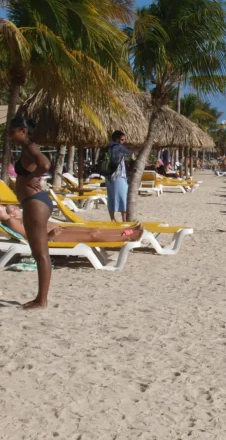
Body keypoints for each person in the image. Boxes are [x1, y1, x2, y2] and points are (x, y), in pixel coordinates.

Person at [9, 117, 52, 309]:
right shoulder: (27, 148)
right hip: (35, 202)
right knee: (40, 253)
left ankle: (41, 300)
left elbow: (45, 164)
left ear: (23, 131)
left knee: (40, 254)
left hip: (35, 203)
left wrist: (33, 178)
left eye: (12, 130)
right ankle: (41, 299)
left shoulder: (29, 147)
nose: (10, 134)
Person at [0, 205, 144, 242]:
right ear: (10, 214)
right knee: (93, 234)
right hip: (52, 238)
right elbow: (29, 237)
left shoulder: (19, 218)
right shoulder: (12, 221)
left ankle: (130, 231)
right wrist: (49, 235)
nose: (16, 207)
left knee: (94, 229)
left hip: (58, 230)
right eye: (11, 208)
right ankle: (129, 236)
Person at [105, 130, 134, 222]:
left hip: (109, 177)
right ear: (117, 139)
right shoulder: (117, 147)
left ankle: (112, 219)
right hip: (118, 176)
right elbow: (130, 151)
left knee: (111, 197)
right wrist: (143, 147)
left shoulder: (108, 146)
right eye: (122, 139)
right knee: (123, 197)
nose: (123, 141)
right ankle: (124, 220)